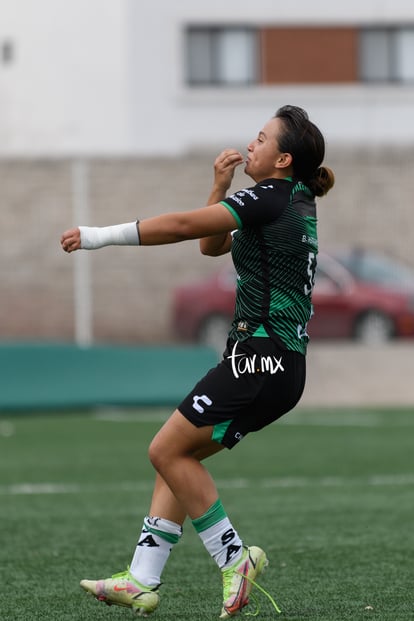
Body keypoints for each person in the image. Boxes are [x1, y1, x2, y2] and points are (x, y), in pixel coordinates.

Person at [61, 105, 334, 618]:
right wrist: (219, 185)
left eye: (260, 139)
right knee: (177, 457)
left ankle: (235, 559)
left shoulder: (272, 196)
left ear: (283, 158)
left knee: (165, 450)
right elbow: (213, 245)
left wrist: (97, 235)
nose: (250, 145)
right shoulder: (289, 200)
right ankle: (141, 577)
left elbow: (187, 227)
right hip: (277, 366)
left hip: (261, 359)